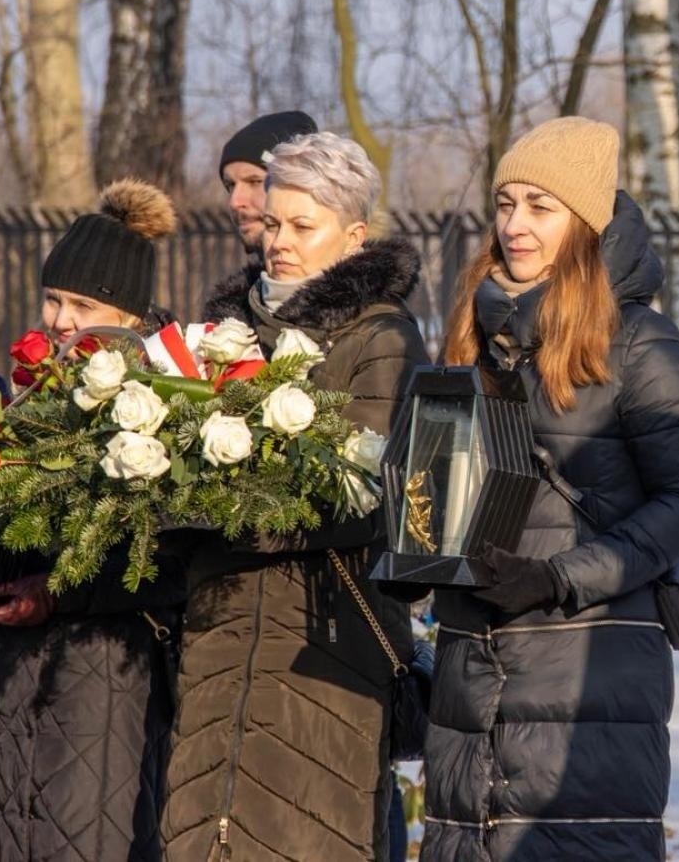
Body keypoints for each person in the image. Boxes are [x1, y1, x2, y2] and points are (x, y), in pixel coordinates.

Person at [419, 117, 679, 861]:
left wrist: (557, 577)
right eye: (505, 203)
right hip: (472, 668)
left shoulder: (638, 341)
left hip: (590, 674)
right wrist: (414, 547)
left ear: (585, 223)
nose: (515, 225)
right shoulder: (473, 332)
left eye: (540, 207)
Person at [161, 133, 426, 861]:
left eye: (302, 226)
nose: (279, 241)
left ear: (353, 234)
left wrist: (221, 513)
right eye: (273, 223)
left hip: (326, 647)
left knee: (309, 834)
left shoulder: (382, 338)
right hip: (217, 637)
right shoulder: (224, 332)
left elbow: (368, 493)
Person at [0, 180, 183, 861]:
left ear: (127, 313)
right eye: (54, 299)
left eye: (83, 303)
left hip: (107, 678)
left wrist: (59, 588)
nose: (62, 318)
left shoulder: (166, 402)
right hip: (17, 674)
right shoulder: (29, 391)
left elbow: (156, 557)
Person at [219, 110, 317, 256]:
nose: (235, 202)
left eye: (255, 181)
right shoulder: (253, 279)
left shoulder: (357, 279)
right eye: (231, 185)